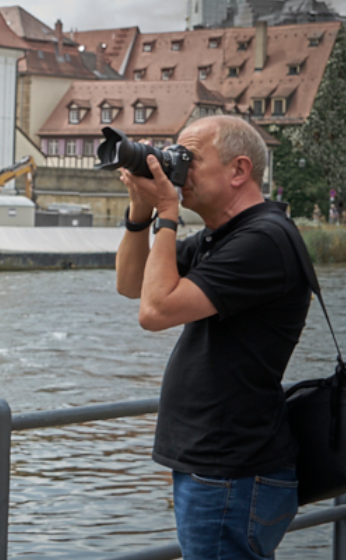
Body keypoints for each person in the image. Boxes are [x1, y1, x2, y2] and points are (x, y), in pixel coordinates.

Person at [115, 115, 311, 560]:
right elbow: (131, 286)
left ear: (239, 170)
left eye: (190, 159)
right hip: (218, 467)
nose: (177, 170)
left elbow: (155, 312)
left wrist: (167, 213)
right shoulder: (220, 237)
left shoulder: (263, 240)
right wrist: (140, 211)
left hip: (232, 469)